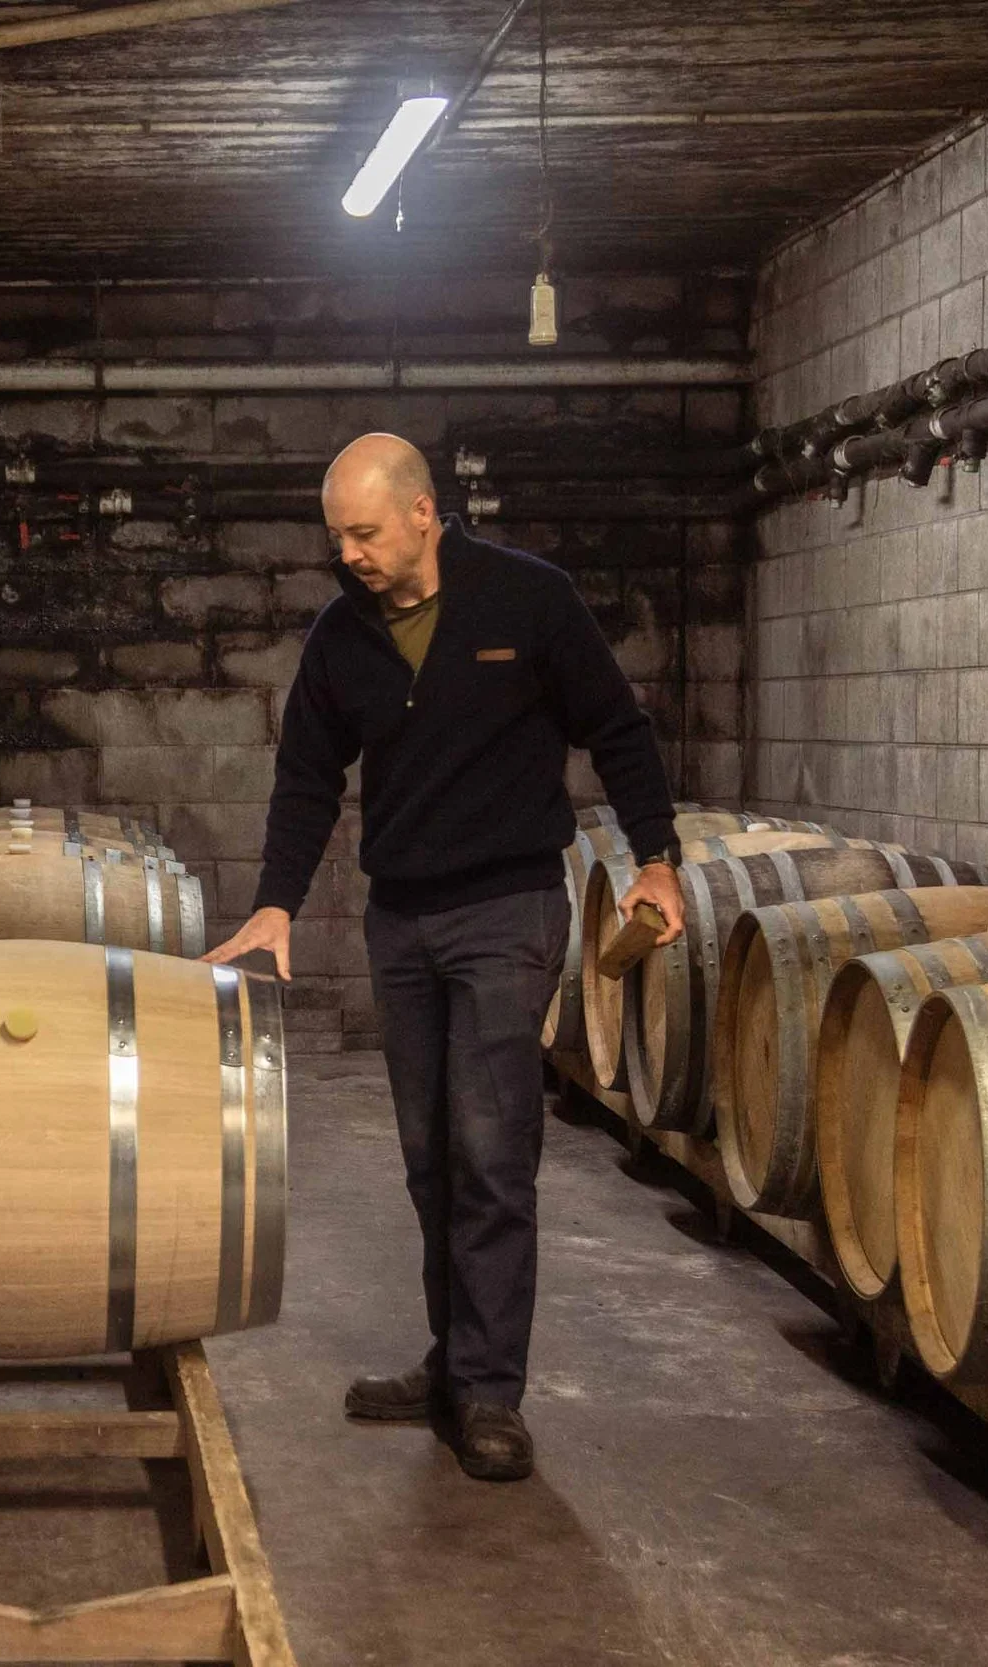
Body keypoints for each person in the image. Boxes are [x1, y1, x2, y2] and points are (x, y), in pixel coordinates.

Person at [204, 433, 683, 1482]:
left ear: (423, 513)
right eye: (337, 536)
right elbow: (306, 777)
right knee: (430, 1157)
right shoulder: (342, 635)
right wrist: (276, 904)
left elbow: (617, 728)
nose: (348, 554)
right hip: (403, 921)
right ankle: (453, 1361)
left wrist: (656, 857)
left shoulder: (528, 599)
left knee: (491, 1153)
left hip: (507, 910)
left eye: (364, 532)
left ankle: (491, 1391)